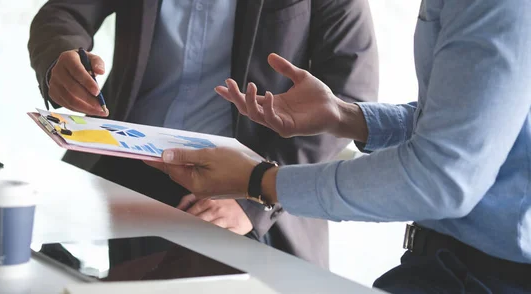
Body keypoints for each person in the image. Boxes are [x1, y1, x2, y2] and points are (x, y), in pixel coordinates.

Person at [146, 0, 531, 292]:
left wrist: (259, 183)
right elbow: (472, 123)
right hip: (452, 265)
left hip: (487, 275)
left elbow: (442, 177)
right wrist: (346, 117)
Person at [28, 0, 378, 268]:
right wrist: (59, 60)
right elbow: (63, 13)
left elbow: (350, 96)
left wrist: (259, 192)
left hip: (246, 193)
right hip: (120, 173)